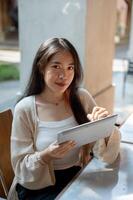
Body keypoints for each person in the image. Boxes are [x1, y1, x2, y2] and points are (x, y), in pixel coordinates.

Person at [8, 38, 121, 200]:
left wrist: (104, 127)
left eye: (70, 68)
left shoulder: (81, 97)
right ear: (41, 67)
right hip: (37, 187)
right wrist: (46, 155)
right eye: (56, 67)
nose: (64, 75)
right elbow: (20, 167)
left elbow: (107, 157)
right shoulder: (25, 109)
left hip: (76, 177)